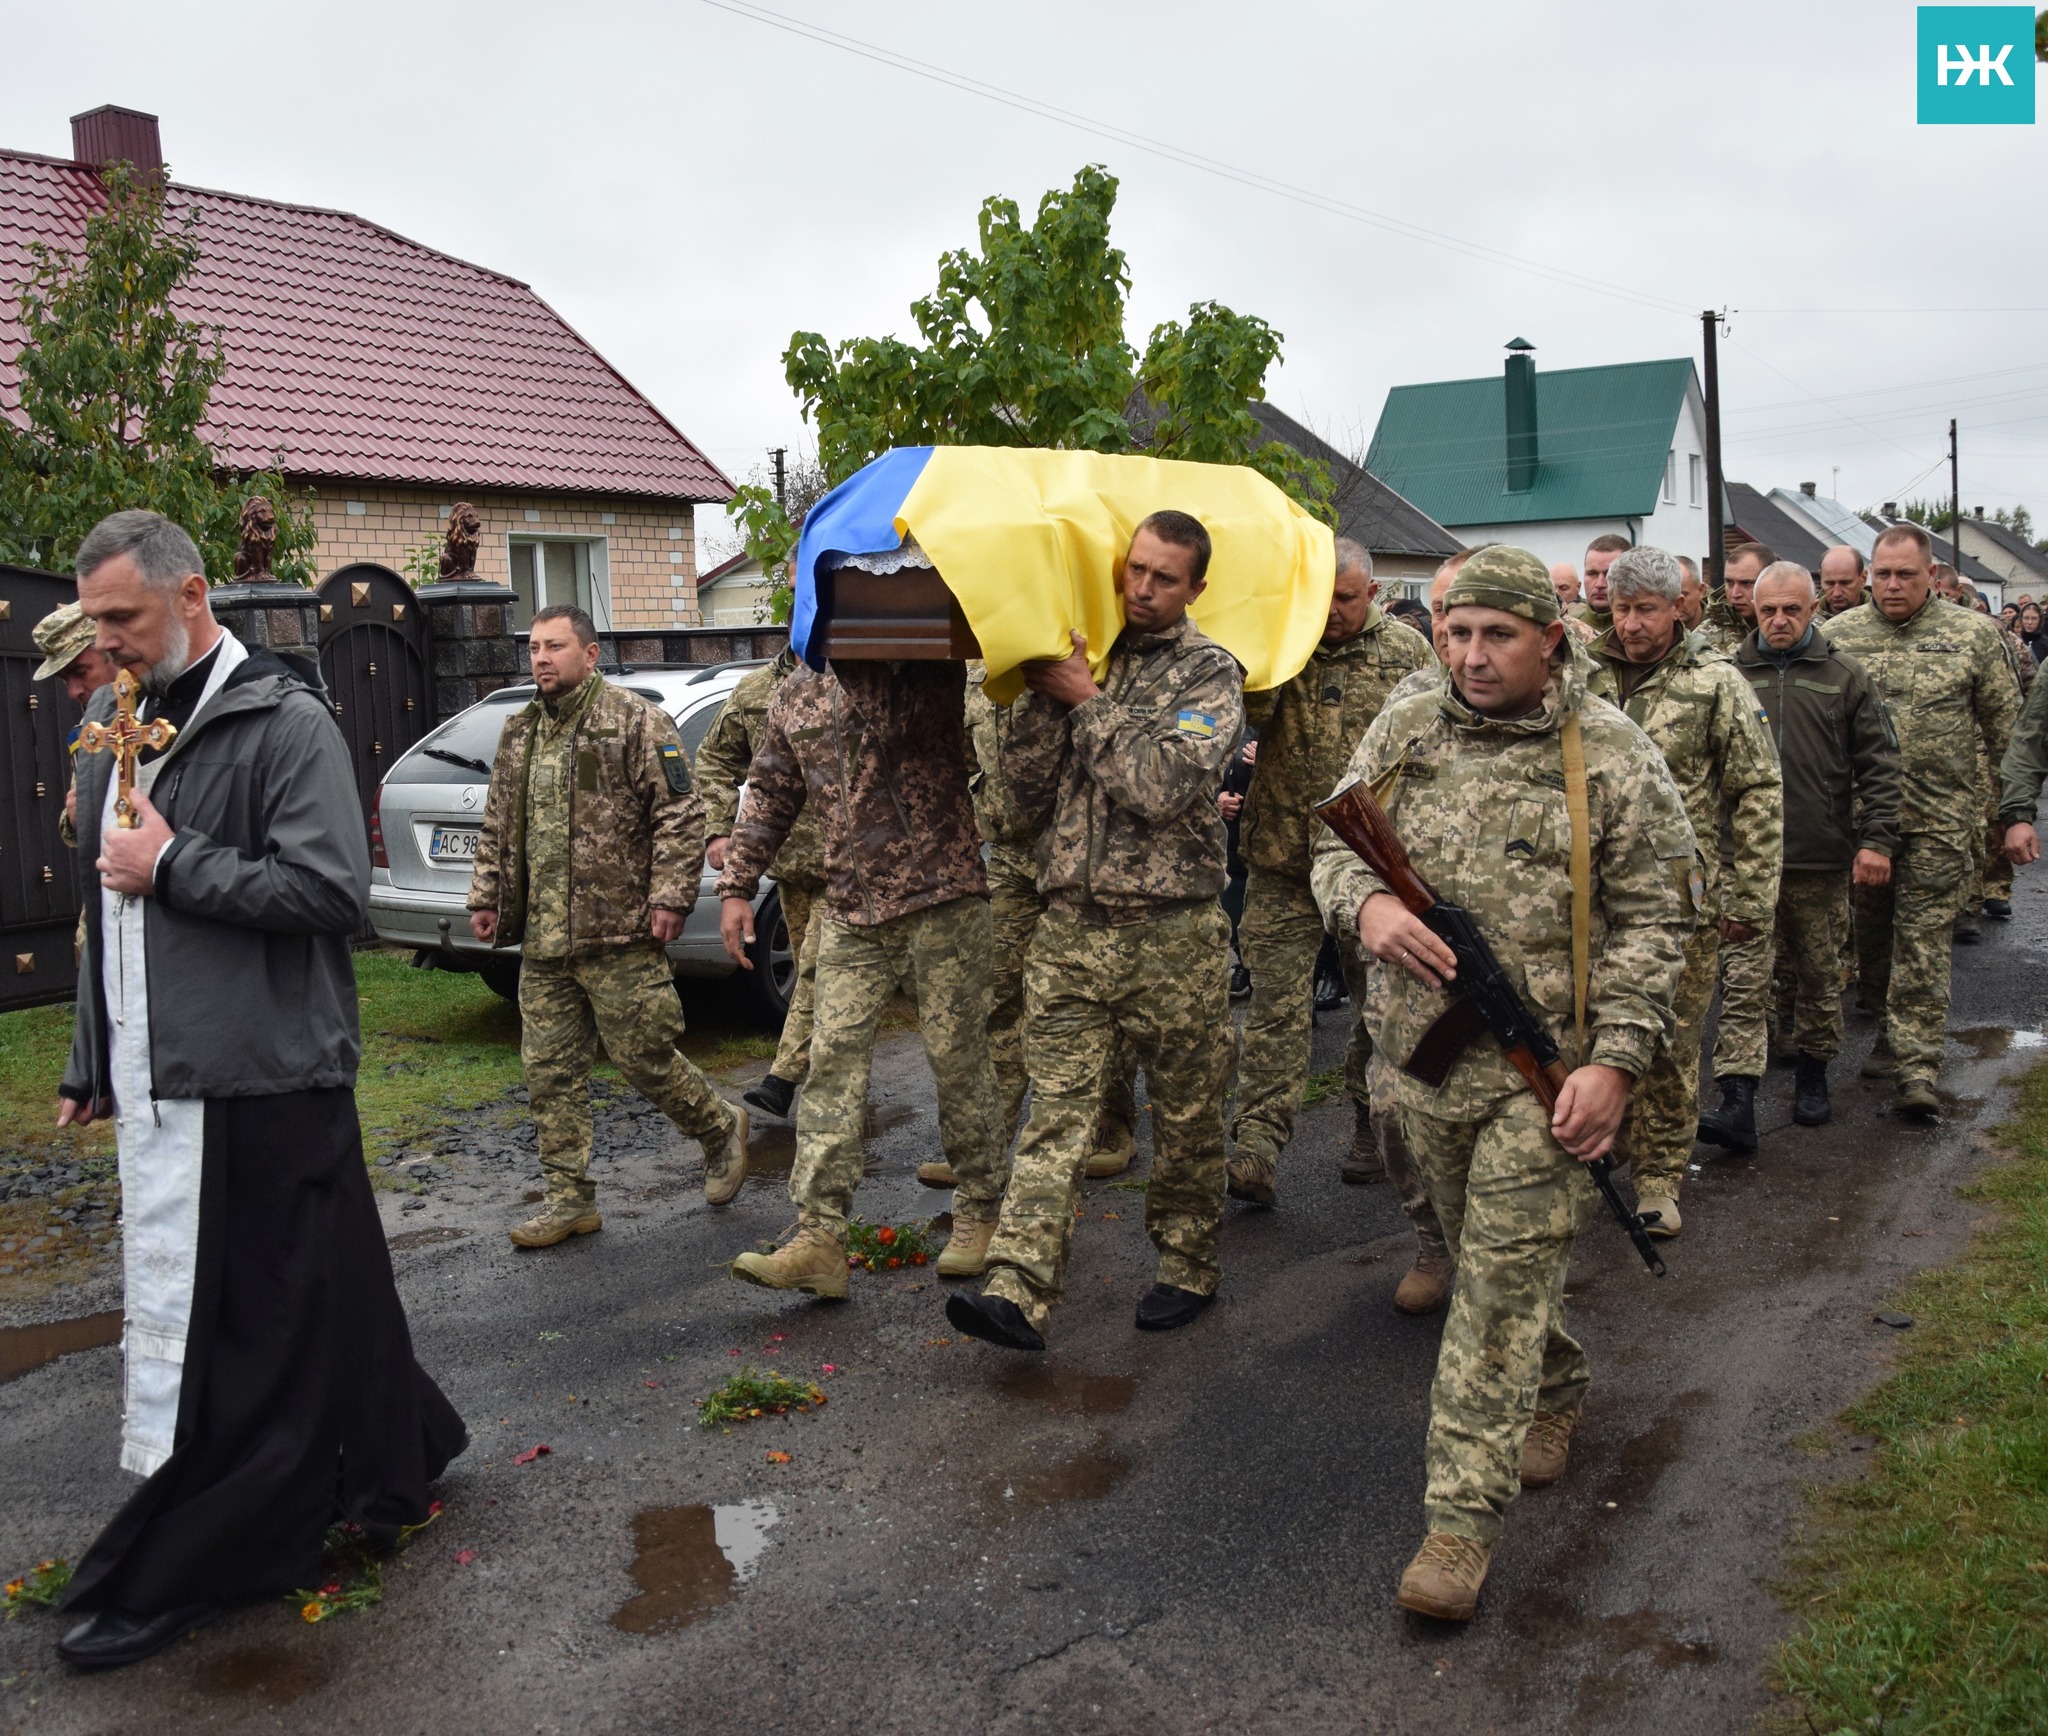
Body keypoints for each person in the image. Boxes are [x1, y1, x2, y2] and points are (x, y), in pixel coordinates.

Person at [54, 510, 464, 1670]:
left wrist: (177, 861)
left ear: (192, 598)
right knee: (326, 1286)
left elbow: (334, 891)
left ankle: (221, 1547)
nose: (108, 643)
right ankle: (399, 1445)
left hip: (266, 1074)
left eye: (123, 619)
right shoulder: (108, 718)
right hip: (165, 1067)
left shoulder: (286, 722)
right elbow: (108, 903)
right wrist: (93, 1051)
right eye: (97, 622)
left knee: (256, 1332)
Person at [1311, 546, 1693, 1623]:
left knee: (1491, 1292)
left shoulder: (1609, 755)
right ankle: (1557, 1382)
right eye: (1455, 632)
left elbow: (1657, 920)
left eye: (1496, 636)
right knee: (1481, 1260)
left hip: (1544, 1082)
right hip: (1415, 1067)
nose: (1470, 656)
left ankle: (1455, 1527)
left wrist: (1614, 1061)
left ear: (1551, 640)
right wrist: (1364, 909)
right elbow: (1329, 845)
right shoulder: (1404, 726)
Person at [949, 511, 1243, 1351]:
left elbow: (1161, 785)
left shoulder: (1209, 674)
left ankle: (1187, 1263)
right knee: (1059, 1114)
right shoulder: (1084, 661)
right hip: (1071, 930)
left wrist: (1087, 702)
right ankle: (1018, 1287)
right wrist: (1044, 701)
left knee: (1186, 1115)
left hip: (1173, 936)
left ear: (1195, 588)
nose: (1142, 589)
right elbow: (1018, 803)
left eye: (1164, 578)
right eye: (1135, 570)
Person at [715, 617, 1003, 1294]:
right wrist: (735, 886)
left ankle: (983, 1210)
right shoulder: (798, 691)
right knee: (829, 1070)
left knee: (959, 1064)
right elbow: (770, 791)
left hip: (942, 898)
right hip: (849, 907)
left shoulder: (924, 666)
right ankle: (819, 1236)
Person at [468, 607, 745, 1245]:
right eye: (535, 647)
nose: (541, 658)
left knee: (643, 1057)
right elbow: (499, 823)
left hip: (618, 931)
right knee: (549, 1072)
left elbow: (679, 811)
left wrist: (671, 896)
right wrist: (486, 895)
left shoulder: (637, 721)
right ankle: (570, 1200)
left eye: (556, 646)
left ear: (589, 655)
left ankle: (718, 1127)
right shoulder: (519, 732)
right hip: (544, 940)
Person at [1226, 540, 1449, 1305]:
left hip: (1367, 871)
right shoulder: (1285, 646)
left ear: (1374, 592)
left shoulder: (1408, 655)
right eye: (1320, 599)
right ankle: (1257, 1147)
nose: (1331, 615)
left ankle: (1365, 1123)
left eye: (1346, 601)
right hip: (1285, 859)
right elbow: (1236, 714)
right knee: (1276, 1008)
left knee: (1372, 1009)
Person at [1588, 547, 1780, 1232]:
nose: (1633, 624)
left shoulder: (1714, 681)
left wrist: (1750, 898)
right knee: (1593, 1032)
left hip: (1677, 899)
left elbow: (1755, 790)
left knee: (1667, 1042)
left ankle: (1659, 1179)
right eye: (1621, 608)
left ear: (1678, 607)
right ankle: (1603, 1145)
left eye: (1646, 609)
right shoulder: (1581, 674)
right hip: (1589, 896)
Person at [1823, 525, 2020, 1116]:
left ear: (1931, 576)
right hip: (1861, 828)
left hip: (1941, 818)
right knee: (1873, 939)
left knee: (1924, 940)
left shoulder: (1973, 637)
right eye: (1882, 574)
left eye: (1905, 574)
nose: (1891, 585)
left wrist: (2012, 816)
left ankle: (1917, 1066)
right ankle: (1888, 1029)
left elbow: (2006, 731)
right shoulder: (1836, 637)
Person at [927, 663, 1138, 1187]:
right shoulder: (975, 672)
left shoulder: (1069, 660)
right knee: (998, 993)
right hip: (1008, 855)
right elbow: (962, 760)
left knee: (1091, 992)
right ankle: (990, 1139)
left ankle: (1111, 1120)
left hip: (1078, 853)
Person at [1733, 565, 1900, 1126]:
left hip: (1819, 856)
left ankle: (1813, 1073)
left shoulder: (1844, 675)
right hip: (1747, 860)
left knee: (1819, 974)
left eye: (1792, 610)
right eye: (1768, 611)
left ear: (1812, 610)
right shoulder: (1728, 675)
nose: (1779, 621)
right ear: (1753, 613)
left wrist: (1876, 840)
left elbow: (1879, 765)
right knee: (1744, 979)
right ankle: (1739, 1093)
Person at [695, 647, 827, 1122]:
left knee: (818, 970)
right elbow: (712, 760)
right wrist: (718, 828)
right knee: (822, 978)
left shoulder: (853, 679)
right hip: (791, 864)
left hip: (853, 867)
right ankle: (837, 1079)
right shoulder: (753, 693)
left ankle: (783, 1078)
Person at [1575, 534, 1629, 635]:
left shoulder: (1637, 629)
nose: (1600, 584)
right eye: (1592, 574)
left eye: (1609, 574)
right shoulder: (1566, 629)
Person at [1818, 546, 1869, 620]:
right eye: (1830, 583)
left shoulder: (1885, 615)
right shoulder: (1807, 618)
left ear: (1863, 579)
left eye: (1845, 583)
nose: (1837, 593)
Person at [1675, 556, 1706, 633]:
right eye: (1669, 595)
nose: (1676, 603)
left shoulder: (1726, 628)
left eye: (1683, 594)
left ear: (1701, 590)